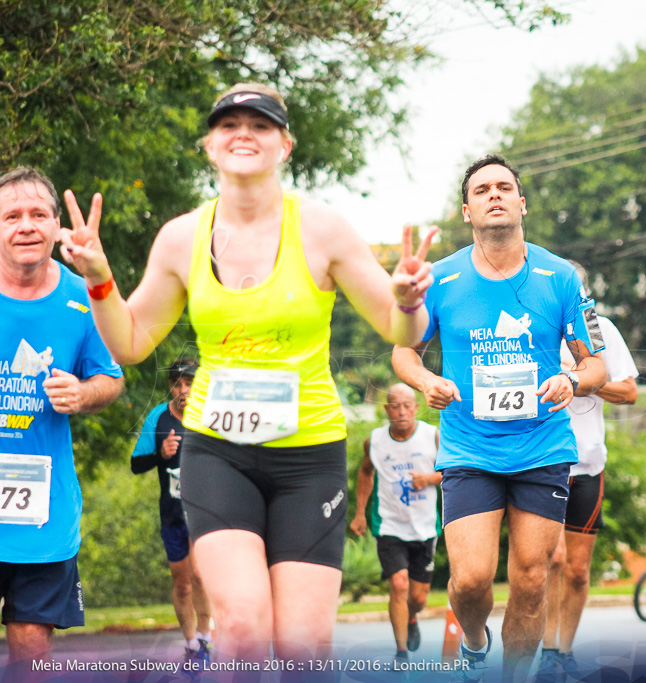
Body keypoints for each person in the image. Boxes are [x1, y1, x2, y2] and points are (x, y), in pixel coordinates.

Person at [58, 83, 436, 662]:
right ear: (210, 146)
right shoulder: (182, 237)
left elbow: (399, 329)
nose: (243, 134)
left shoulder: (323, 230)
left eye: (260, 125)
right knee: (242, 627)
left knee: (303, 647)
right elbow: (130, 342)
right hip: (217, 452)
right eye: (229, 124)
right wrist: (100, 278)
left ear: (285, 145)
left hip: (309, 456)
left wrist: (409, 299)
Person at [392, 154, 608, 679]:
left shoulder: (560, 277)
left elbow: (596, 362)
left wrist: (571, 379)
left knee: (532, 580)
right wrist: (428, 382)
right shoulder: (441, 280)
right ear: (467, 210)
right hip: (470, 449)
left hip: (542, 448)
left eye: (504, 187)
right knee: (469, 580)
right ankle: (472, 639)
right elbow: (404, 352)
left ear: (521, 202)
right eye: (482, 190)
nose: (494, 194)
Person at [0, 167, 123, 668]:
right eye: (12, 215)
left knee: (31, 647)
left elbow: (111, 380)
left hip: (42, 513)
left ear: (56, 226)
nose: (25, 225)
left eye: (38, 214)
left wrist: (81, 392)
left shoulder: (83, 300)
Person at [537, 261, 639, 681]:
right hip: (542, 461)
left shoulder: (599, 330)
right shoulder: (535, 326)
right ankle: (545, 650)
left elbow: (629, 391)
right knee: (552, 559)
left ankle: (563, 649)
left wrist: (577, 380)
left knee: (577, 569)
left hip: (588, 462)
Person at [129, 357, 214, 667]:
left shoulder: (212, 415)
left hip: (205, 508)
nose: (183, 389)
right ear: (170, 386)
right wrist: (159, 454)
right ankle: (191, 643)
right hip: (173, 512)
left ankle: (205, 637)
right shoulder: (157, 418)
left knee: (201, 576)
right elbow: (136, 464)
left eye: (189, 382)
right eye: (177, 383)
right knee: (183, 583)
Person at [350, 383, 441, 664]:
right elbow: (365, 474)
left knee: (418, 597)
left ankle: (411, 617)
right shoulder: (374, 441)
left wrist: (428, 479)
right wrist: (361, 512)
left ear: (415, 407)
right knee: (398, 585)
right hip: (389, 524)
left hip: (425, 527)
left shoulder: (432, 436)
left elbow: (451, 472)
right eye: (395, 406)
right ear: (387, 410)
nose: (402, 411)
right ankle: (401, 652)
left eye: (407, 405)